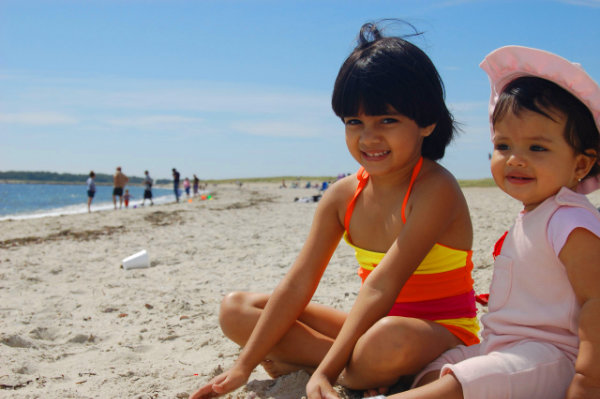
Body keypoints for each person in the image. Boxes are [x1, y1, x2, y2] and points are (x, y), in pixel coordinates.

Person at [190, 21, 478, 399]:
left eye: (387, 121)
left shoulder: (435, 188)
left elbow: (382, 285)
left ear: (426, 122)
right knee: (236, 310)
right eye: (354, 122)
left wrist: (324, 370)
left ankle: (327, 366)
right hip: (370, 328)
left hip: (436, 330)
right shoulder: (343, 195)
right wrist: (244, 365)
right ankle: (354, 371)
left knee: (386, 339)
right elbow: (298, 283)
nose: (369, 137)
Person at [372, 46, 600, 399]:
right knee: (436, 370)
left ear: (581, 165)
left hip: (553, 355)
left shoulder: (570, 220)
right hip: (502, 346)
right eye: (503, 145)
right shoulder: (536, 212)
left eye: (537, 148)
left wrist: (588, 381)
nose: (515, 160)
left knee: (466, 383)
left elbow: (596, 301)